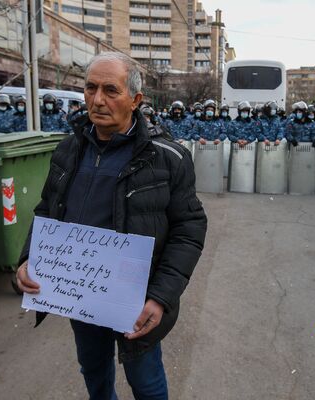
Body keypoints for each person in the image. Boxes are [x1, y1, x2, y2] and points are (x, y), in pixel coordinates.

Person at [15, 52, 207, 400]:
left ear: (135, 100)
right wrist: (29, 259)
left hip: (137, 300)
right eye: (90, 88)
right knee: (94, 370)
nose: (98, 100)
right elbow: (47, 210)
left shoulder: (168, 157)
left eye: (110, 90)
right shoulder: (68, 150)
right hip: (80, 294)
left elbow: (189, 229)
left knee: (145, 382)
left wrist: (161, 297)